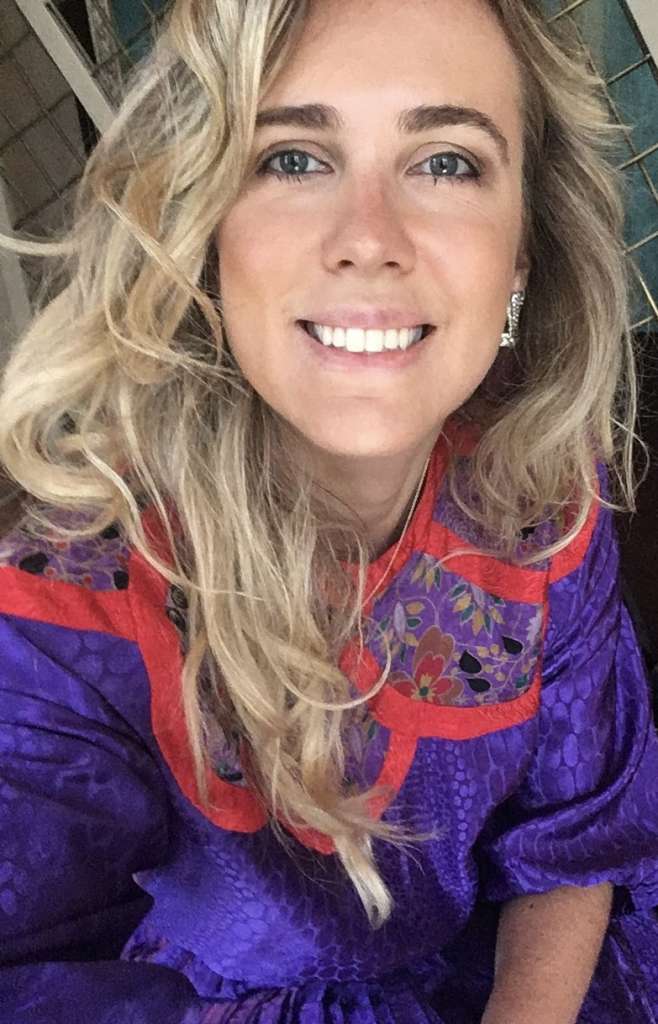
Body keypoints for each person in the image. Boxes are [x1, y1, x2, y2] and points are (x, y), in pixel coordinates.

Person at [0, 0, 657, 1021]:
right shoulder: (65, 606)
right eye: (294, 159)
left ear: (522, 251)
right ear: (205, 230)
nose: (368, 240)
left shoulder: (539, 490)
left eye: (447, 162)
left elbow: (578, 836)